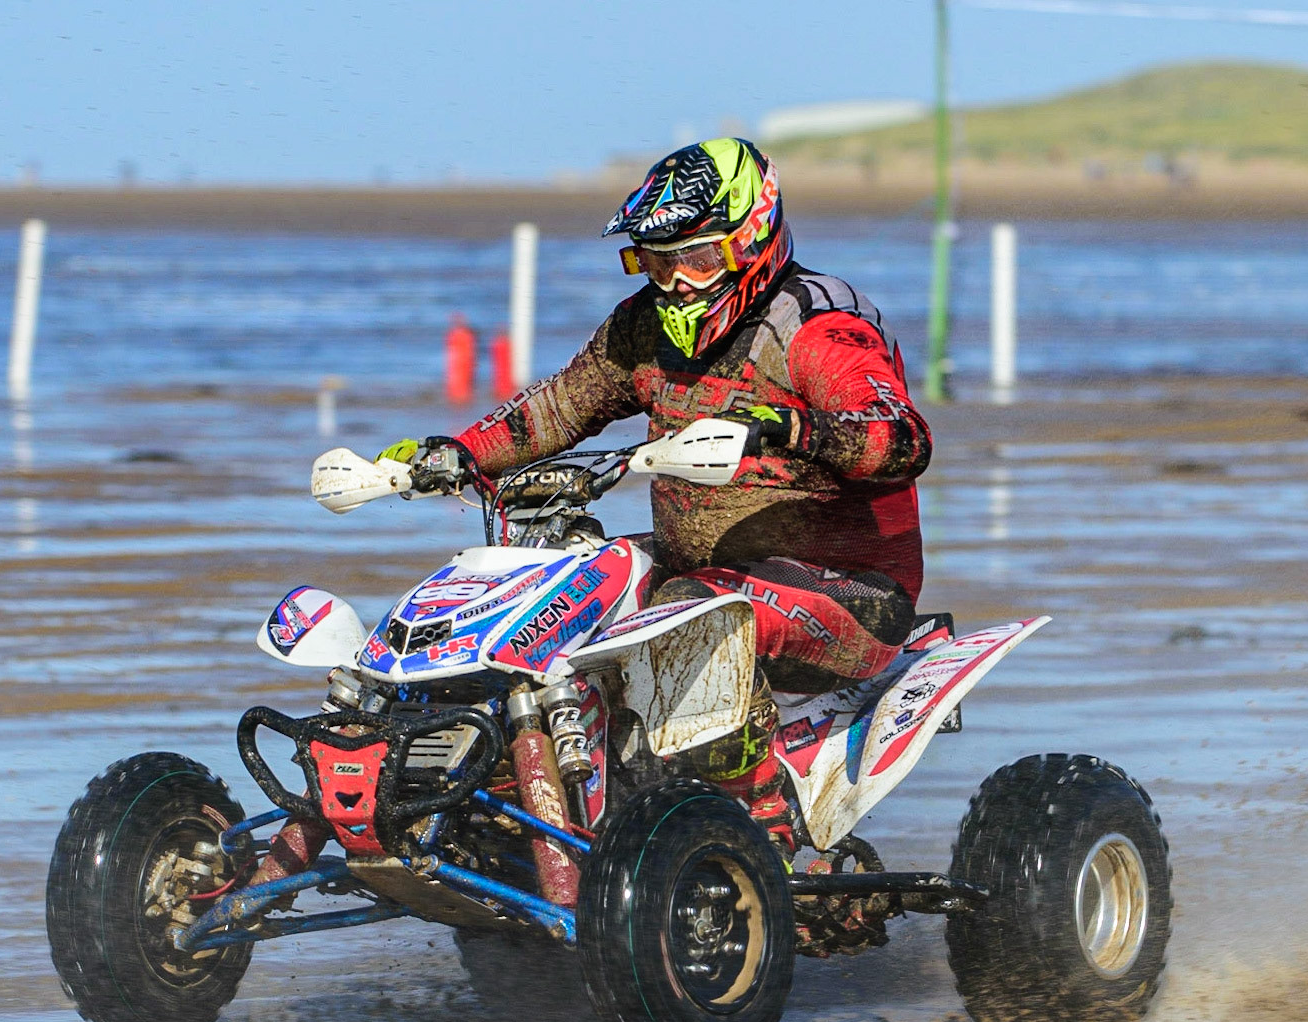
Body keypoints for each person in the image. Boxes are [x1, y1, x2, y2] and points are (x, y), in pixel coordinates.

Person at [381, 138, 931, 852]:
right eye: (655, 260)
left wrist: (790, 427)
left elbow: (901, 440)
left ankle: (764, 840)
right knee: (554, 593)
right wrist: (456, 451)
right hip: (700, 571)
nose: (673, 283)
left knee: (686, 616)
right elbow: (557, 408)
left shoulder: (816, 327)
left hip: (852, 594)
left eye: (694, 260)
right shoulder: (642, 326)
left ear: (749, 240)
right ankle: (520, 816)